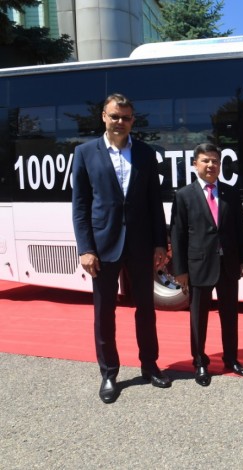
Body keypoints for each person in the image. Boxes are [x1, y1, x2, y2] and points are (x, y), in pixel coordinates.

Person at [72, 93, 171, 403]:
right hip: (102, 246)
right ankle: (109, 373)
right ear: (104, 116)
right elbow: (80, 206)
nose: (120, 122)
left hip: (141, 244)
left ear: (132, 121)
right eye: (115, 116)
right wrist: (85, 248)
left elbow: (154, 202)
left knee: (146, 309)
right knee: (104, 312)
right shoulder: (84, 153)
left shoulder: (145, 153)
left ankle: (149, 365)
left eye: (126, 117)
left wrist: (160, 242)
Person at [170, 143, 243, 386]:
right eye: (205, 160)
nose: (211, 165)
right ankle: (200, 362)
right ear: (195, 164)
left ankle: (231, 358)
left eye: (215, 161)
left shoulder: (230, 193)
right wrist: (180, 270)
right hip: (198, 267)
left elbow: (241, 228)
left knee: (230, 315)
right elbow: (178, 235)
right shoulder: (184, 195)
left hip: (228, 266)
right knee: (198, 318)